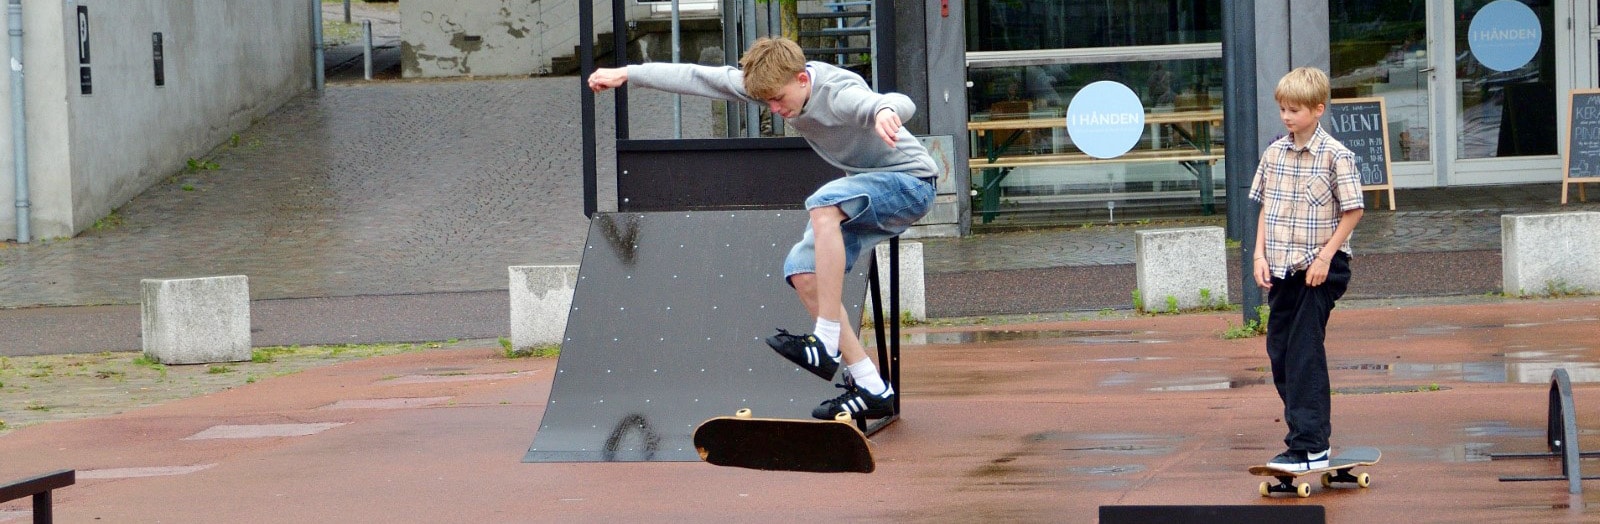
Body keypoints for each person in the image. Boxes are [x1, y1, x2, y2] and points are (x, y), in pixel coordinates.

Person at [587, 37, 937, 420]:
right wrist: (629, 73)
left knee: (822, 204)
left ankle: (826, 340)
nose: (775, 109)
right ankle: (871, 385)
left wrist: (886, 110)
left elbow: (897, 102)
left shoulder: (839, 94)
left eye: (778, 99)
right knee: (802, 271)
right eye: (766, 101)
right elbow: (699, 77)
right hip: (868, 189)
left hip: (910, 183)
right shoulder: (774, 83)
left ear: (803, 79)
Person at [1249, 66, 1364, 472]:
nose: (1286, 116)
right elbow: (1266, 206)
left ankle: (1310, 444)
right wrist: (1258, 255)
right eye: (1282, 109)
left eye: (1294, 110)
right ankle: (1304, 435)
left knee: (1304, 354)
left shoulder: (1336, 156)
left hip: (1320, 271)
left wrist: (1325, 257)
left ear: (1318, 109)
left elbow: (1353, 211)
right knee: (1280, 352)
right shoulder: (1274, 153)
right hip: (1281, 269)